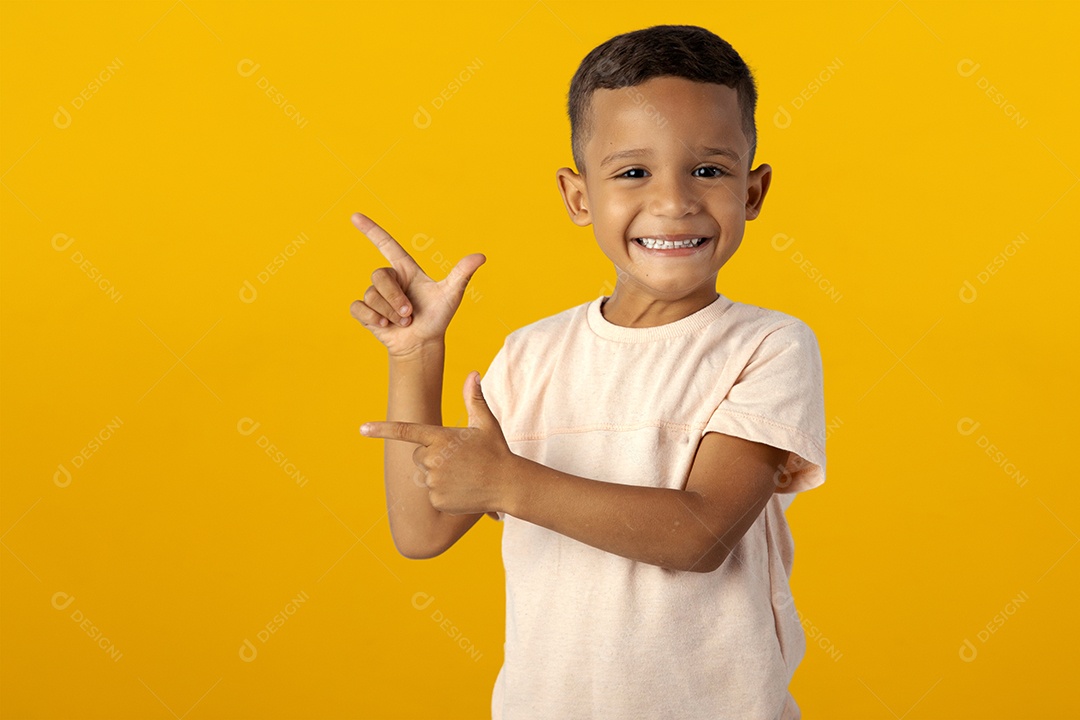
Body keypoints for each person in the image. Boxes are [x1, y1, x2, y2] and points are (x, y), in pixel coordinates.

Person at [350, 23, 826, 720]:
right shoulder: (532, 354)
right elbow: (422, 532)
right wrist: (416, 354)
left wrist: (509, 481)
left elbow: (701, 536)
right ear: (578, 196)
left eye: (709, 170)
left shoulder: (769, 346)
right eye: (634, 172)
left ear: (753, 193)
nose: (674, 201)